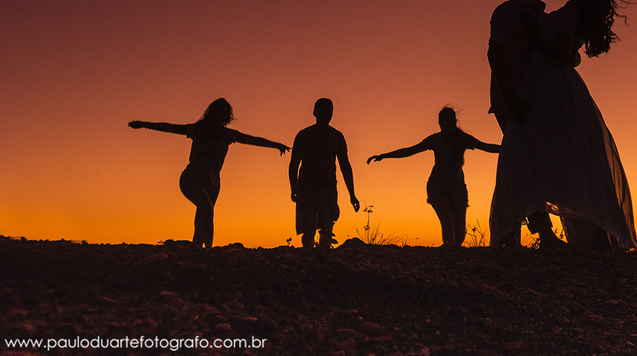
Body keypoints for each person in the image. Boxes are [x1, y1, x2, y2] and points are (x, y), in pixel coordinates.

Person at [489, 0, 637, 250]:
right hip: (526, 92)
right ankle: (526, 236)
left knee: (547, 158)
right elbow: (500, 53)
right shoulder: (511, 11)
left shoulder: (562, 12)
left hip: (547, 91)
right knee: (529, 157)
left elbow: (560, 51)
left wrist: (549, 44)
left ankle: (558, 236)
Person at [128, 98, 289, 247]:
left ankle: (197, 247)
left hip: (213, 184)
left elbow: (253, 140)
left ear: (227, 117)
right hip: (191, 179)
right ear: (211, 113)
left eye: (224, 113)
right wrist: (144, 124)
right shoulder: (197, 130)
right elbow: (170, 128)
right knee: (206, 208)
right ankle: (209, 250)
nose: (221, 116)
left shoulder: (228, 135)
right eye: (218, 112)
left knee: (203, 215)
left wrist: (276, 145)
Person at [486, 0, 562, 247]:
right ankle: (537, 233)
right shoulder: (508, 11)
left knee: (527, 163)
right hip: (513, 100)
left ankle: (516, 234)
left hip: (531, 100)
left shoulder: (541, 16)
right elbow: (495, 54)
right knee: (524, 162)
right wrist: (510, 97)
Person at [367, 106, 501, 247]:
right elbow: (411, 150)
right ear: (439, 124)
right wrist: (384, 156)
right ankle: (448, 256)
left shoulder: (463, 139)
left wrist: (509, 147)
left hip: (457, 188)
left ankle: (452, 257)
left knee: (460, 232)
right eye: (444, 122)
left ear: (455, 122)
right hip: (437, 188)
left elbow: (486, 146)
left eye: (450, 121)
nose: (448, 124)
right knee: (448, 225)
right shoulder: (435, 140)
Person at [290, 98, 360, 248]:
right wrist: (293, 188)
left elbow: (345, 166)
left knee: (327, 228)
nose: (326, 115)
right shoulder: (303, 135)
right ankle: (308, 256)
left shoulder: (337, 136)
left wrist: (352, 194)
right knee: (308, 230)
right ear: (315, 112)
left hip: (327, 187)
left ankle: (323, 256)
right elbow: (294, 164)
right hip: (306, 187)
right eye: (323, 111)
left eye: (329, 112)